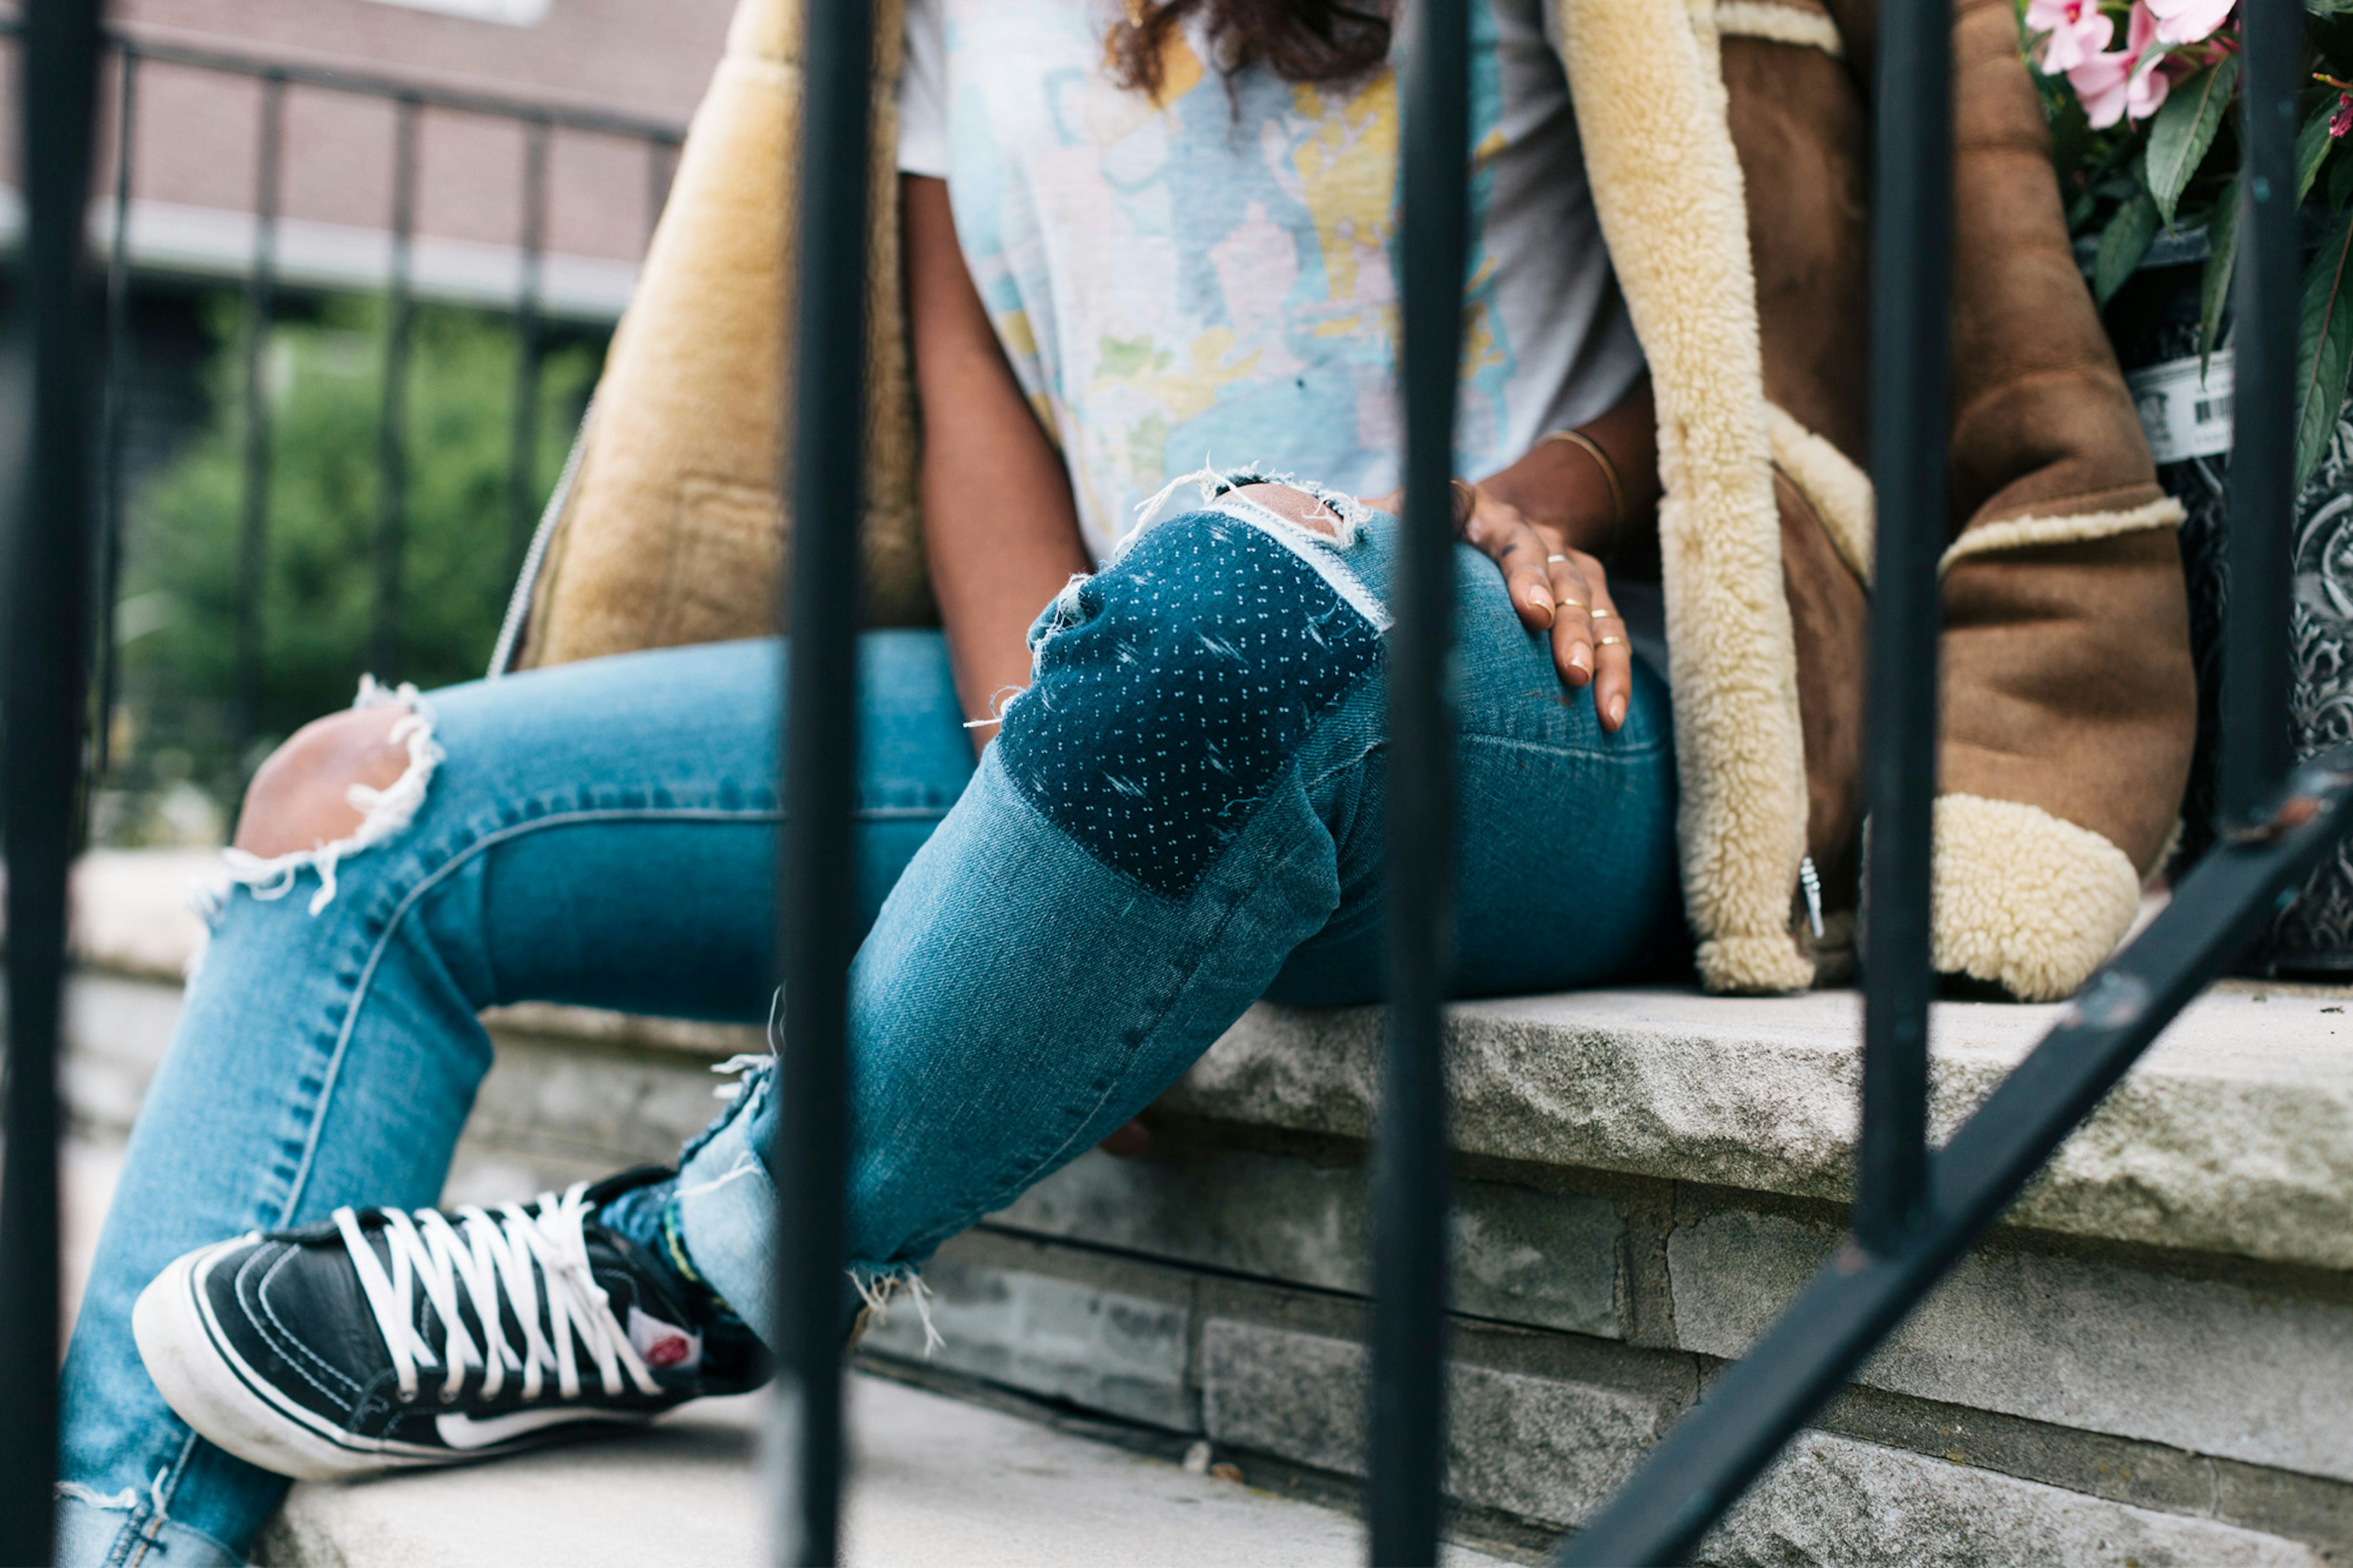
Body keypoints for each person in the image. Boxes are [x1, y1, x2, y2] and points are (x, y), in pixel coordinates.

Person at [57, 2, 1693, 1561]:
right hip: (1114, 677)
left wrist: (1554, 490)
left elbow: (1789, 315)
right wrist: (1049, 862)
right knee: (357, 800)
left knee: (1249, 587)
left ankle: (684, 1266)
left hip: (1531, 678)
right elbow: (973, 405)